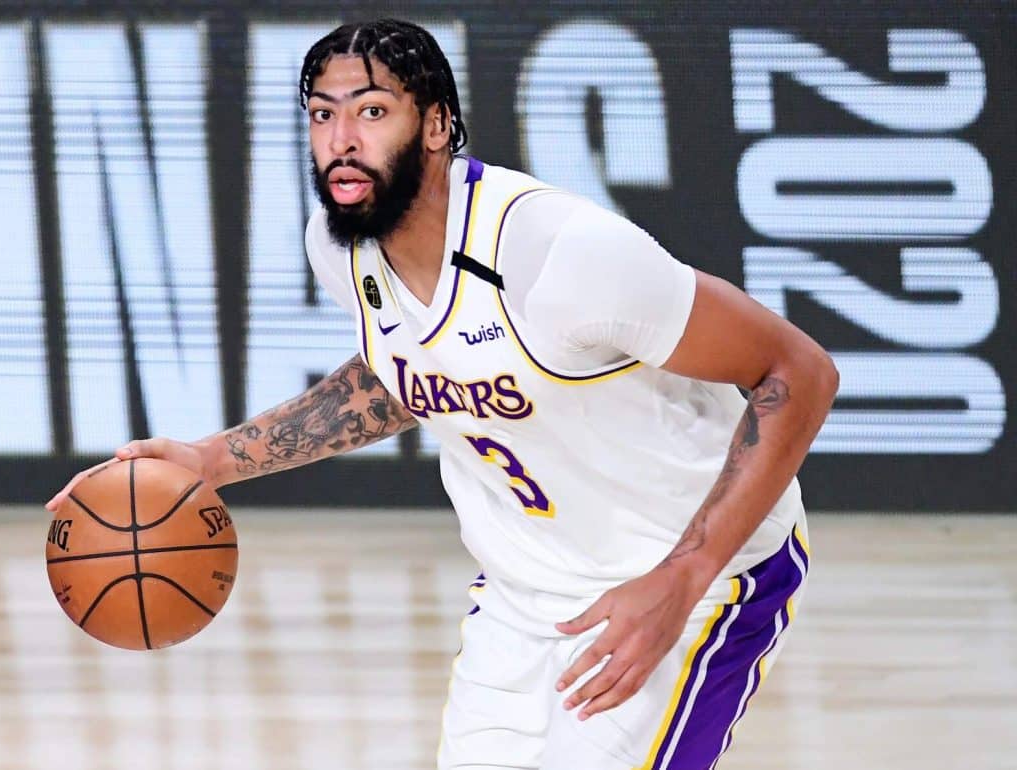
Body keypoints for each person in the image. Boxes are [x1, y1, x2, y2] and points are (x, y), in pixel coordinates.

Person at [47, 18, 837, 770]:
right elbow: (411, 373)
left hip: (689, 578)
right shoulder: (341, 246)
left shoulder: (559, 255)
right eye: (323, 115)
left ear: (436, 125)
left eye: (373, 111)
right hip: (525, 593)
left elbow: (798, 372)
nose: (341, 141)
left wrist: (684, 577)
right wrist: (214, 458)